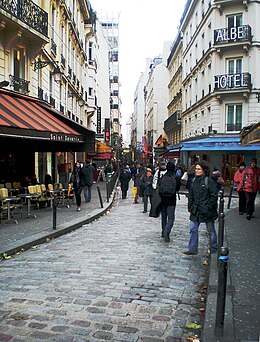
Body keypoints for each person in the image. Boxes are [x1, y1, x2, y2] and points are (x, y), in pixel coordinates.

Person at [183, 161, 218, 255]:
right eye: (196, 169)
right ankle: (192, 249)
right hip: (196, 209)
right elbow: (191, 195)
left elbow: (214, 195)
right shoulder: (194, 181)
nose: (196, 171)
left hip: (207, 210)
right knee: (193, 229)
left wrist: (208, 206)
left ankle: (214, 247)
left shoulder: (208, 180)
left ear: (204, 170)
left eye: (199, 169)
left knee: (211, 230)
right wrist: (190, 206)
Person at [159, 161, 181, 242]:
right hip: (171, 199)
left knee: (164, 216)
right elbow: (178, 188)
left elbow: (159, 186)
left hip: (163, 199)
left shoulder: (163, 176)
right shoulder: (176, 177)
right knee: (171, 217)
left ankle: (163, 230)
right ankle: (167, 231)